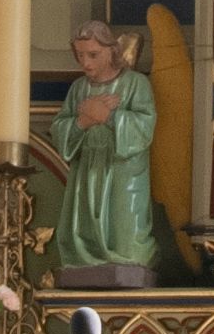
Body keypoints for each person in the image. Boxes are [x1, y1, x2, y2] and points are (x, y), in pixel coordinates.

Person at [51, 20, 158, 287]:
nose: (85, 63)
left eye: (93, 55)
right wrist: (83, 121)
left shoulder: (135, 83)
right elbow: (60, 128)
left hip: (123, 172)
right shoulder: (78, 89)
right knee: (83, 222)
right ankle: (84, 257)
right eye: (80, 55)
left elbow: (144, 126)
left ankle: (128, 256)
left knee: (125, 230)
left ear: (111, 51)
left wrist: (108, 116)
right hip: (87, 170)